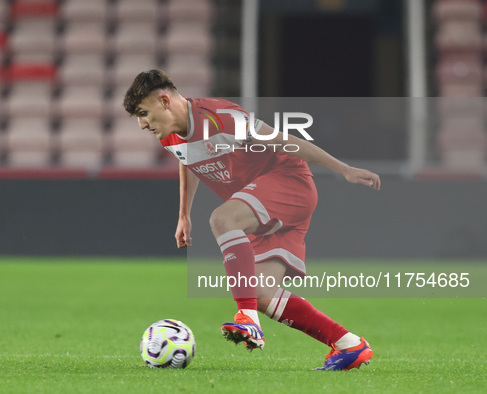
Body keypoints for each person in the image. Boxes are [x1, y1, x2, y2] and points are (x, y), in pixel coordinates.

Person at [123, 69, 380, 371]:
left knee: (222, 219)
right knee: (260, 293)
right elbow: (188, 161)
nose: (141, 124)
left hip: (289, 182)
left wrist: (342, 168)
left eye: (143, 113)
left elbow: (285, 141)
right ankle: (349, 344)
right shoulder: (169, 135)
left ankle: (247, 320)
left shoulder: (222, 117)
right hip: (261, 205)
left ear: (164, 100)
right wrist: (183, 215)